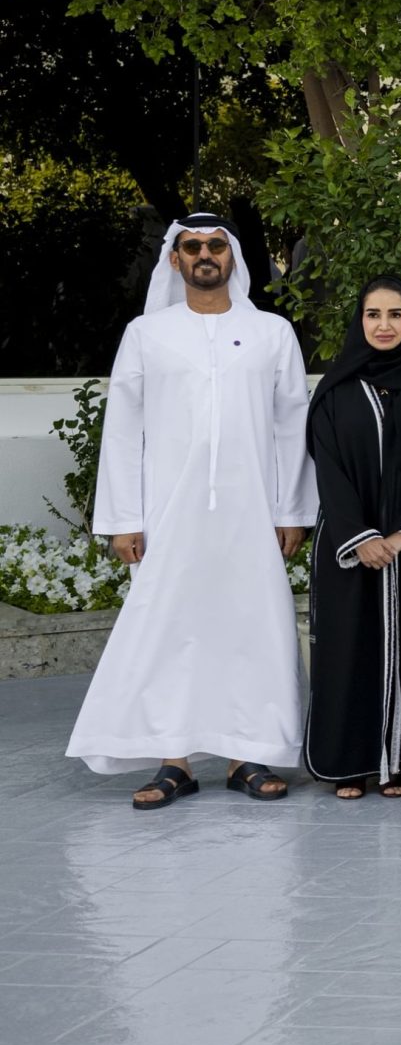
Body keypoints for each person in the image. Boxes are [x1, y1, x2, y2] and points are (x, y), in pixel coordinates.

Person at [69, 216, 315, 806]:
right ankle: (173, 761)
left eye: (216, 245)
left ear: (233, 256)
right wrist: (124, 519)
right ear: (174, 259)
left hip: (251, 512)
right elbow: (123, 430)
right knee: (169, 629)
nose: (206, 254)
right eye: (193, 246)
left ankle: (247, 756)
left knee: (251, 628)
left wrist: (292, 510)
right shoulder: (146, 334)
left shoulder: (272, 332)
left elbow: (291, 426)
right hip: (169, 515)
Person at [303, 278, 401, 799]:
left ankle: (398, 761)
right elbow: (328, 468)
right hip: (349, 546)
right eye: (373, 315)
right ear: (359, 321)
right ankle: (350, 762)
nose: (384, 325)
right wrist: (360, 535)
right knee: (348, 652)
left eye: (396, 314)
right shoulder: (335, 390)